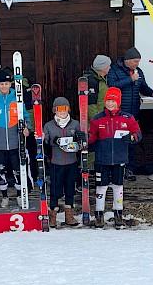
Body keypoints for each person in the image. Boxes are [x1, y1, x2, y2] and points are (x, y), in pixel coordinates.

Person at [88, 87, 142, 229]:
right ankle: (99, 214)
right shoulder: (97, 119)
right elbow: (91, 137)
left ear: (118, 102)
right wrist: (85, 138)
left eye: (113, 101)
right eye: (108, 100)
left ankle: (118, 213)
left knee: (118, 186)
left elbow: (137, 133)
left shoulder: (127, 118)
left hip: (119, 159)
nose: (110, 103)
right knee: (101, 187)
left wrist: (132, 137)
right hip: (102, 159)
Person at [107, 47, 153, 181]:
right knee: (117, 141)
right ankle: (116, 170)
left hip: (133, 113)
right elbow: (112, 85)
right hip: (119, 112)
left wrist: (152, 92)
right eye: (135, 61)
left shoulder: (139, 71)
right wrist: (130, 79)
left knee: (131, 140)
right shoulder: (115, 70)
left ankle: (130, 170)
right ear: (127, 60)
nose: (137, 64)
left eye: (139, 61)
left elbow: (143, 86)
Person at [0, 69, 31, 208]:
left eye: (7, 84)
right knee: (1, 171)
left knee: (17, 171)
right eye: (2, 84)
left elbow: (26, 118)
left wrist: (27, 129)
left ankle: (20, 195)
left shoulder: (17, 100)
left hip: (16, 143)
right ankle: (4, 197)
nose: (4, 86)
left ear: (11, 85)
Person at [42, 97, 83, 227]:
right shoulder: (49, 125)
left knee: (70, 189)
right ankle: (52, 216)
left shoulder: (75, 124)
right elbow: (45, 142)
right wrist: (47, 139)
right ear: (55, 110)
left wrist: (80, 139)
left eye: (65, 109)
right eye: (59, 109)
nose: (62, 112)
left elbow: (82, 140)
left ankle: (69, 216)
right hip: (56, 162)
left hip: (71, 162)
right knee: (55, 190)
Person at [81, 54, 112, 186]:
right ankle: (84, 179)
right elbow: (90, 105)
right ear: (103, 67)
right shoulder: (92, 81)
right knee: (91, 149)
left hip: (101, 119)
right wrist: (97, 122)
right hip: (94, 122)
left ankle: (94, 177)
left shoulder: (100, 79)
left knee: (98, 149)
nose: (110, 68)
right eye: (108, 65)